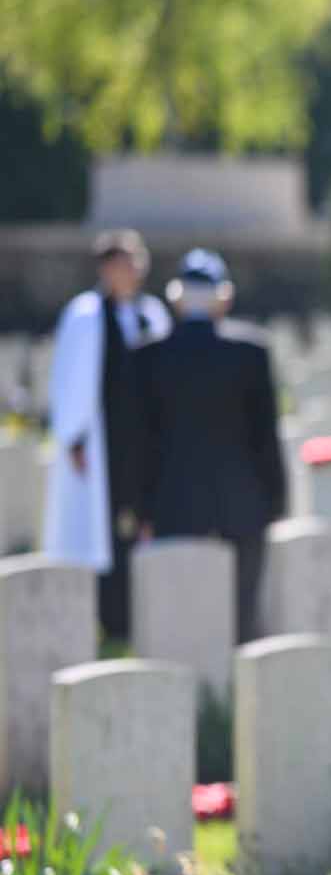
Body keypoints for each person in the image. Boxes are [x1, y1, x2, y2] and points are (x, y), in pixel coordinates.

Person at [133, 250, 286, 642]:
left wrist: (141, 509)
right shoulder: (252, 353)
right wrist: (276, 502)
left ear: (177, 298)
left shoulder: (149, 356)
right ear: (224, 297)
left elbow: (142, 443)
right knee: (241, 619)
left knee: (184, 621)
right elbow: (266, 439)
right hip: (243, 506)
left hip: (174, 506)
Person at [43, 230, 173, 640]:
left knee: (144, 523)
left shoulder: (152, 315)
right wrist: (76, 438)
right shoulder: (85, 316)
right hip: (104, 444)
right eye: (121, 264)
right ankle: (110, 615)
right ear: (105, 269)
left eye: (135, 263)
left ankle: (145, 611)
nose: (130, 272)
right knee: (104, 528)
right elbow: (71, 381)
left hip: (147, 444)